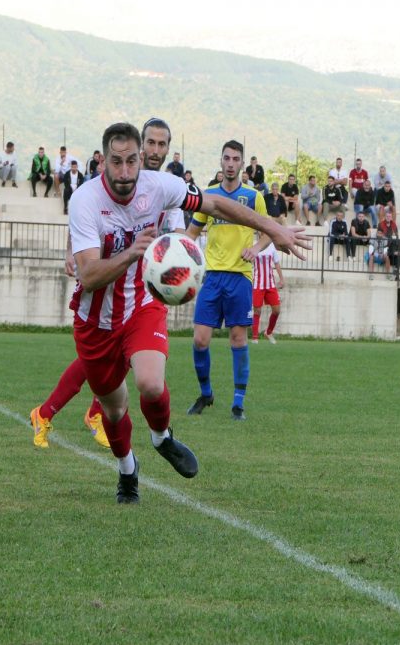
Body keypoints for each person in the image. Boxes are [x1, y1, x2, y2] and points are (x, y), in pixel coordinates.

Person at [68, 125, 306, 503]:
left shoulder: (158, 186)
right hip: (95, 321)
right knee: (114, 411)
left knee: (150, 383)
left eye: (132, 161)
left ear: (140, 158)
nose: (126, 171)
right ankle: (128, 469)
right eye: (117, 162)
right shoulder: (84, 200)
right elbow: (89, 275)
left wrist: (270, 227)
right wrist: (132, 252)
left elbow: (213, 204)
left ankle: (163, 437)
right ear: (103, 162)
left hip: (141, 306)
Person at [30, 117, 180, 453]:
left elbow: (181, 238)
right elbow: (91, 224)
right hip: (100, 302)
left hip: (142, 297)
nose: (156, 150)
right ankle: (80, 415)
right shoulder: (108, 184)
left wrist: (182, 270)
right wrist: (73, 253)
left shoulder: (166, 190)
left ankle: (80, 415)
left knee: (144, 372)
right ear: (140, 147)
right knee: (99, 367)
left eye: (162, 144)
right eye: (151, 143)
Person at [185, 138, 309, 422]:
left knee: (238, 339)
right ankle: (206, 394)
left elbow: (270, 229)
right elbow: (191, 234)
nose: (230, 164)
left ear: (243, 164)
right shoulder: (209, 196)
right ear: (220, 161)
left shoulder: (254, 197)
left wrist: (255, 248)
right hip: (213, 276)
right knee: (200, 339)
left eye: (235, 159)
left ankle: (238, 403)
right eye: (226, 158)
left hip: (240, 276)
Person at [251, 242, 284, 344]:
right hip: (257, 284)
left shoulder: (272, 246)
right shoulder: (254, 245)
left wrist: (282, 279)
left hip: (270, 284)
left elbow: (277, 263)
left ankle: (268, 332)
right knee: (257, 311)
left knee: (276, 310)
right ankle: (255, 338)